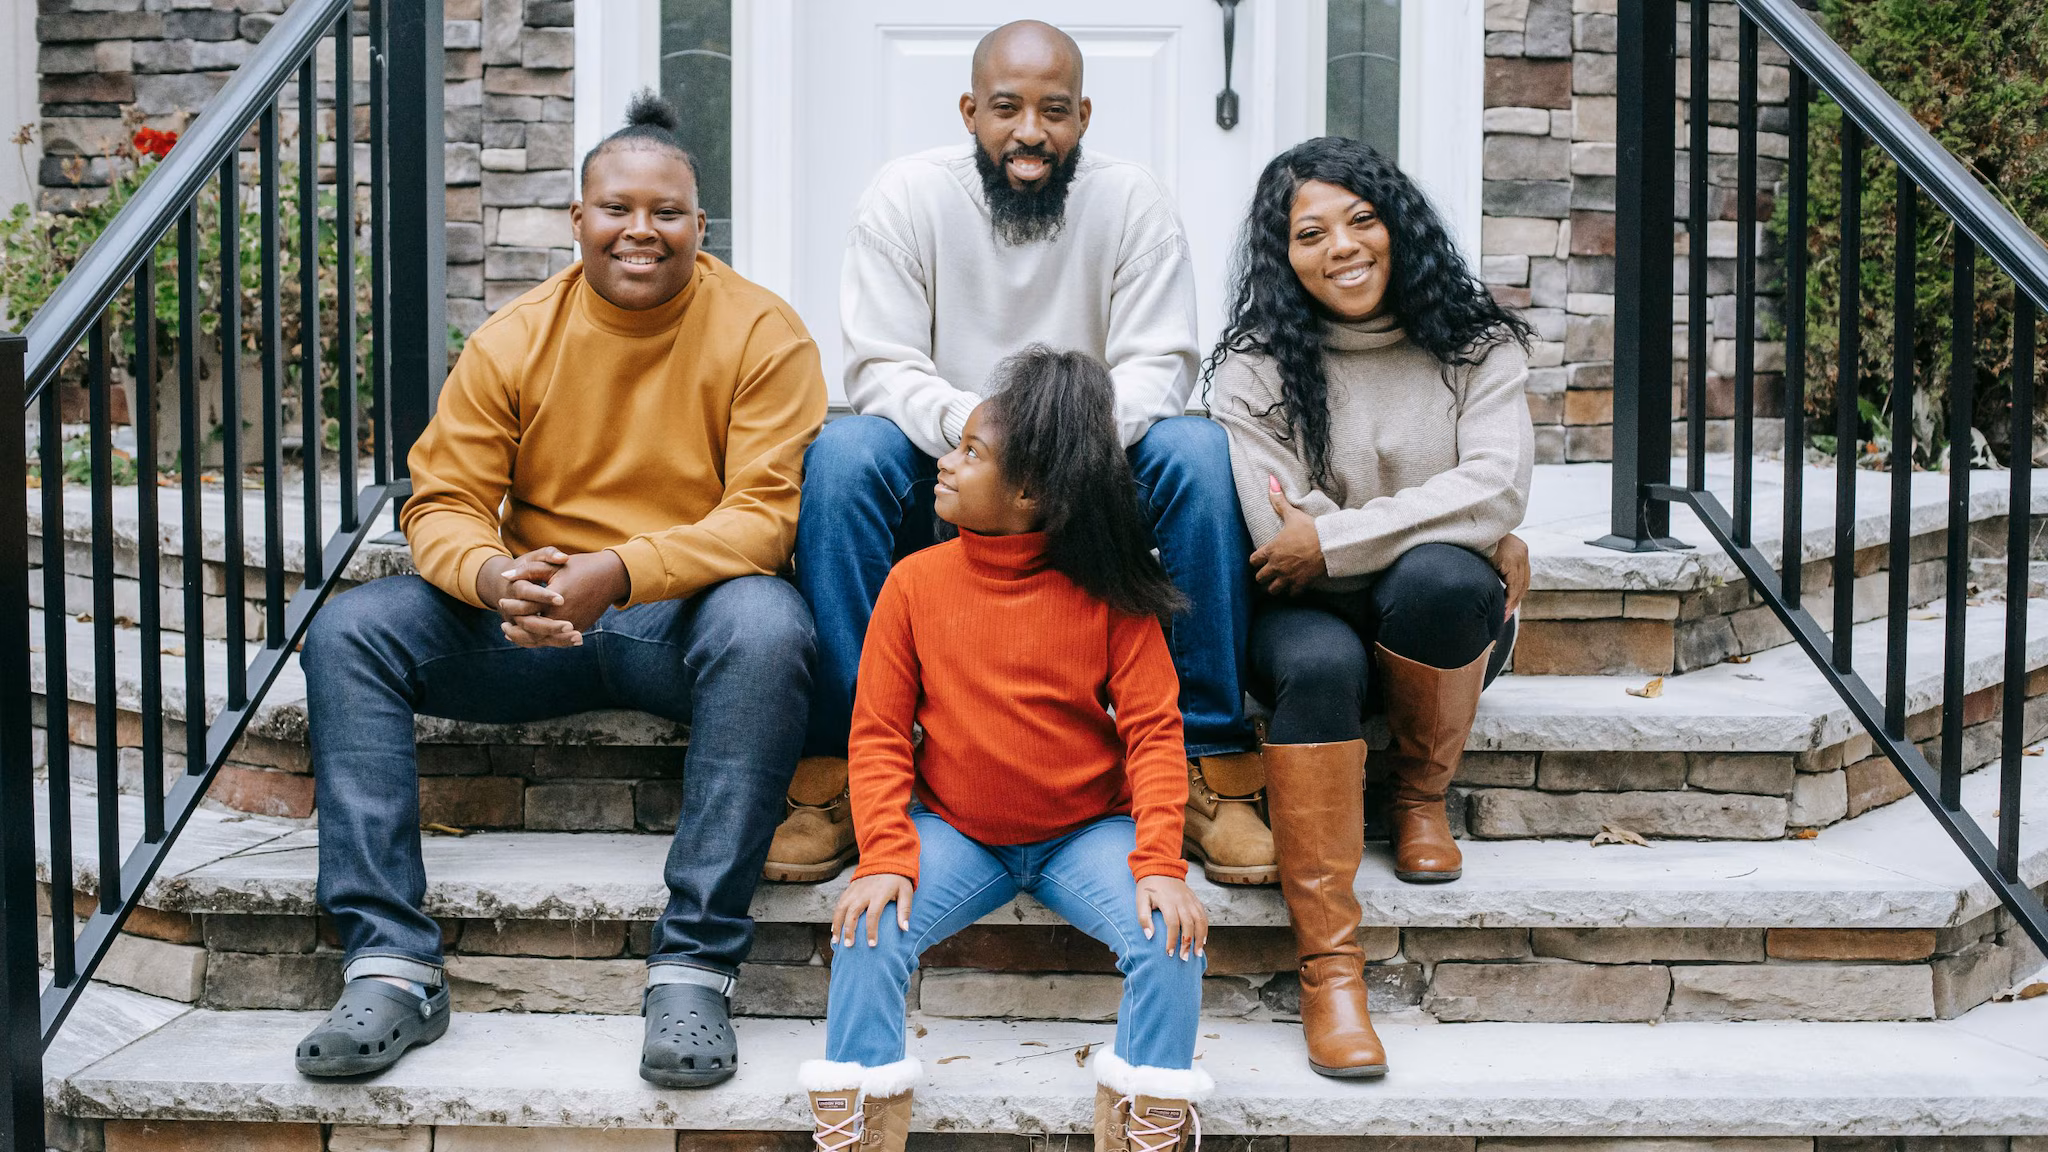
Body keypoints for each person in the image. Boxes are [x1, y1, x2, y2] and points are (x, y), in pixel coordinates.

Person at [292, 93, 826, 1087]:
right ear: (576, 219)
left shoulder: (761, 332)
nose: (640, 230)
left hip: (680, 618)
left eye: (665, 212)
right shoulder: (515, 338)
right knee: (350, 632)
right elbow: (440, 501)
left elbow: (767, 516)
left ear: (699, 226)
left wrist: (619, 572)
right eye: (616, 208)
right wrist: (497, 576)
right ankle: (391, 964)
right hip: (532, 621)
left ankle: (694, 967)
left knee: (769, 625)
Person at [770, 19, 1275, 891]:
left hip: (1093, 462)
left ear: (1084, 114)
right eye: (1006, 109)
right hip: (950, 457)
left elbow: (1163, 366)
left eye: (1052, 111)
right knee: (846, 452)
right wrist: (988, 438)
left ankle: (1207, 764)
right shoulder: (906, 196)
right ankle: (847, 772)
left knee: (1195, 450)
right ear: (970, 110)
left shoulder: (1133, 202)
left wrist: (1054, 444)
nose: (1030, 133)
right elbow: (882, 365)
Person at [798, 349, 1212, 1152]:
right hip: (960, 831)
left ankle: (1149, 1117)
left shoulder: (1109, 597)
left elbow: (1156, 733)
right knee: (867, 925)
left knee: (1169, 935)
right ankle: (859, 1120)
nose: (944, 464)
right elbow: (879, 733)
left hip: (1084, 834)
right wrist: (885, 852)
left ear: (1030, 493)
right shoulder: (914, 584)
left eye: (969, 453)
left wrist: (1160, 863)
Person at [1208, 136, 1535, 1079]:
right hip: (1301, 616)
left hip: (1426, 607)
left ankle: (1419, 798)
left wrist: (1337, 540)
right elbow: (1275, 526)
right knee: (1320, 664)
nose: (1342, 247)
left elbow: (1495, 492)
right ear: (1284, 256)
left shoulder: (1481, 347)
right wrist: (1440, 525)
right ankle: (1330, 973)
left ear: (1399, 227)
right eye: (1310, 233)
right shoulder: (1255, 367)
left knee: (1443, 580)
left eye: (1362, 219)